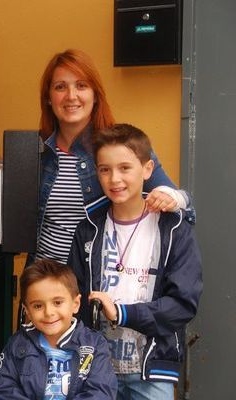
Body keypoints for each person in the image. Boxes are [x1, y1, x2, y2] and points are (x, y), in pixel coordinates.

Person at [0, 49, 192, 264]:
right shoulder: (35, 153)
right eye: (60, 87)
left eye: (81, 85)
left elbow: (185, 210)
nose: (71, 96)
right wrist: (2, 165)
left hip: (95, 286)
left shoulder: (121, 147)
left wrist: (171, 197)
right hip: (43, 285)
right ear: (49, 98)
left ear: (95, 95)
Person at [67, 124, 202, 399]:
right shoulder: (88, 229)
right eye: (105, 169)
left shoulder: (175, 229)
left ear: (148, 169)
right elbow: (74, 298)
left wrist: (122, 313)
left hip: (151, 372)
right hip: (95, 371)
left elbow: (183, 304)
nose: (114, 178)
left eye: (125, 168)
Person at [0, 259, 117, 399]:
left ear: (75, 303)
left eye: (57, 302)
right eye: (38, 306)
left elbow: (101, 392)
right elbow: (1, 387)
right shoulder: (18, 343)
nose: (49, 312)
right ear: (27, 311)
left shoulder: (95, 345)